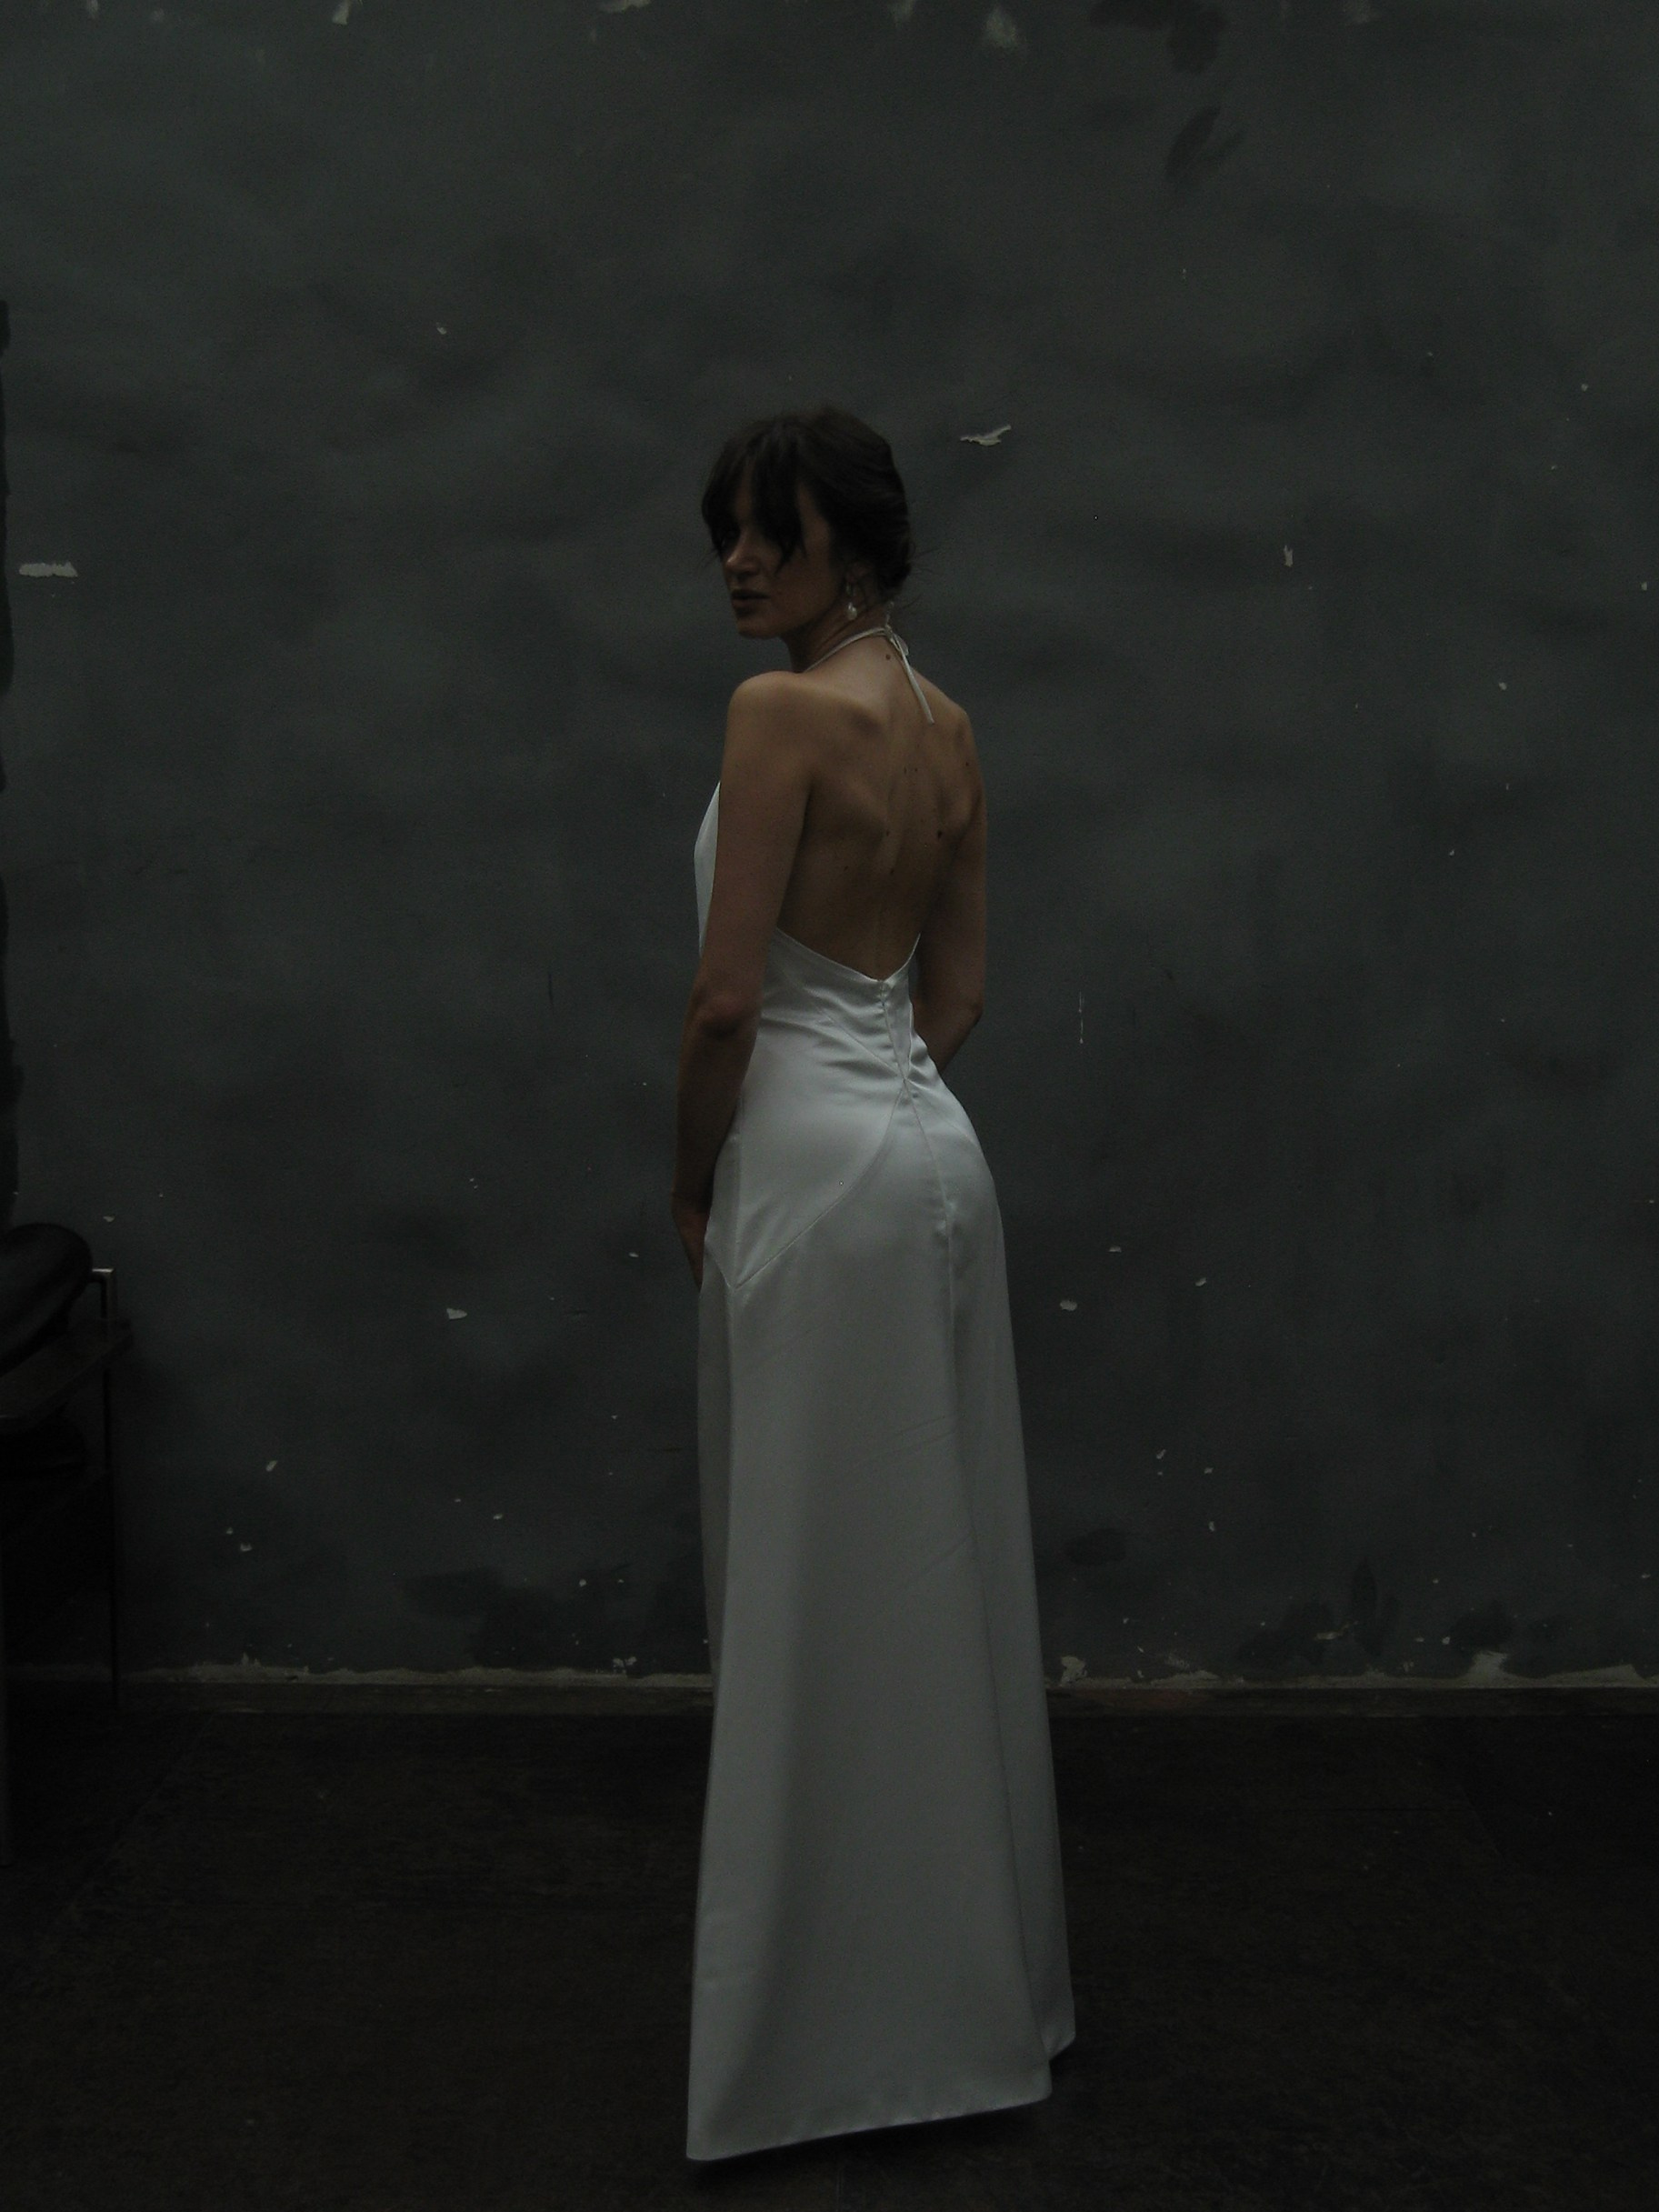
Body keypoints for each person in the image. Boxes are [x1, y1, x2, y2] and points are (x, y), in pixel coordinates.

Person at [673, 405, 1074, 2164]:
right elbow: (955, 992)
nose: (738, 561)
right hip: (931, 1164)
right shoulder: (949, 729)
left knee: (817, 1576)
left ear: (851, 540)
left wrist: (693, 1171)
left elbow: (724, 1002)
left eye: (772, 530)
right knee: (927, 1568)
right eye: (726, 532)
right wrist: (880, 1102)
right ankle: (974, 2000)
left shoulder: (779, 715)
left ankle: (824, 2038)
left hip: (814, 1176)